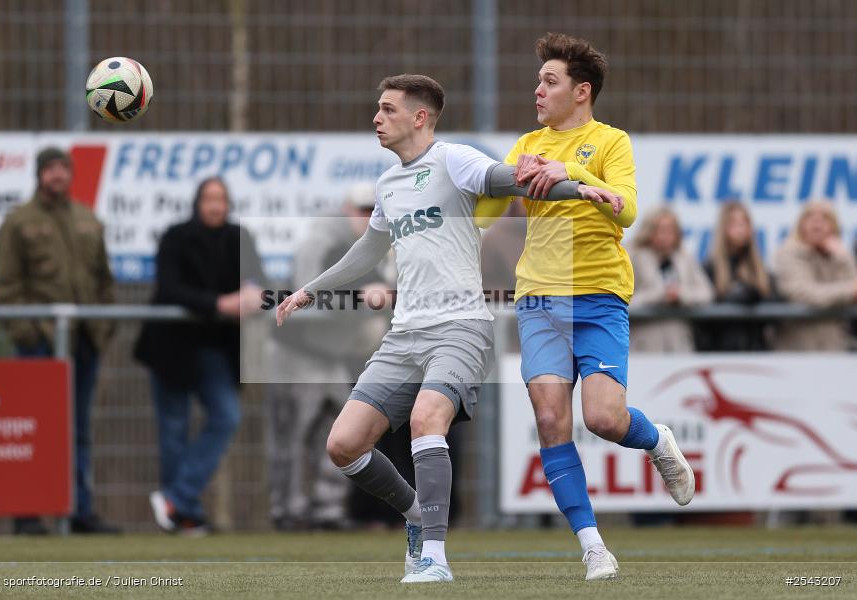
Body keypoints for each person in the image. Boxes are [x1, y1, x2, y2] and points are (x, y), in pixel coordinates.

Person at [276, 74, 613, 584]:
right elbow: (367, 250)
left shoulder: (455, 160)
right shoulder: (388, 185)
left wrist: (579, 187)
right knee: (343, 445)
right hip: (404, 334)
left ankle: (434, 554)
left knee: (425, 420)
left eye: (387, 109)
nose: (376, 118)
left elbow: (507, 179)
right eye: (377, 109)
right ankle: (416, 515)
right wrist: (309, 289)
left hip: (460, 326)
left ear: (420, 117)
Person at [474, 33, 696, 580]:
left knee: (601, 418)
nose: (538, 90)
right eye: (538, 81)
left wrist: (570, 174)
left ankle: (656, 439)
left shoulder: (610, 141)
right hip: (539, 299)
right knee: (551, 419)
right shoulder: (526, 143)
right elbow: (485, 212)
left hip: (598, 297)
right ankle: (594, 546)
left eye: (550, 82)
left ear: (582, 91)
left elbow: (626, 210)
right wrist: (455, 192)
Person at [0, 147, 119, 535]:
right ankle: (28, 513)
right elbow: (7, 287)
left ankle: (80, 510)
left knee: (79, 427)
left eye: (63, 168)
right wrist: (29, 333)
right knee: (33, 428)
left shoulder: (87, 219)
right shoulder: (18, 222)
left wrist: (102, 328)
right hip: (39, 343)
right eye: (50, 168)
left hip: (83, 342)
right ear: (39, 174)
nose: (58, 175)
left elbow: (104, 281)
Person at [134, 176, 269, 535]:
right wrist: (218, 303)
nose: (214, 205)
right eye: (208, 198)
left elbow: (258, 279)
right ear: (197, 202)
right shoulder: (176, 236)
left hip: (216, 350)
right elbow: (169, 287)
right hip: (171, 349)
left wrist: (253, 293)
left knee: (226, 416)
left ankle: (176, 498)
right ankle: (184, 515)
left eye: (221, 198)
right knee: (173, 430)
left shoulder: (240, 237)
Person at [264, 183, 394, 530]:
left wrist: (375, 297)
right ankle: (286, 510)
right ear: (348, 208)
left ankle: (328, 509)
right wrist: (358, 299)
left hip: (332, 355)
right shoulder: (320, 241)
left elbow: (381, 294)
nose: (368, 218)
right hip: (296, 353)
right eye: (363, 210)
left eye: (373, 211)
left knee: (339, 432)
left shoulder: (374, 246)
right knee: (292, 432)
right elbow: (309, 294)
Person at [773, 199, 857, 351]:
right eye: (810, 217)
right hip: (799, 349)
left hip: (835, 346)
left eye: (825, 218)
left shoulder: (837, 254)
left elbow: (853, 284)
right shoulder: (788, 252)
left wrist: (843, 258)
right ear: (801, 225)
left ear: (834, 227)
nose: (817, 223)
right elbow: (806, 293)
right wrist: (850, 291)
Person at [628, 207, 714, 352]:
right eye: (660, 230)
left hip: (678, 342)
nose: (665, 236)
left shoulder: (684, 258)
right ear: (649, 231)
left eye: (670, 230)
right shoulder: (633, 257)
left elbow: (706, 293)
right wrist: (659, 295)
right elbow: (623, 301)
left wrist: (681, 295)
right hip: (644, 342)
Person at [700, 202, 773, 351]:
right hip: (720, 351)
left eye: (744, 223)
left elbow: (774, 299)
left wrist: (754, 295)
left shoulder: (759, 269)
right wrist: (746, 295)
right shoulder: (709, 268)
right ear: (723, 228)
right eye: (733, 223)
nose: (740, 229)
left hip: (755, 350)